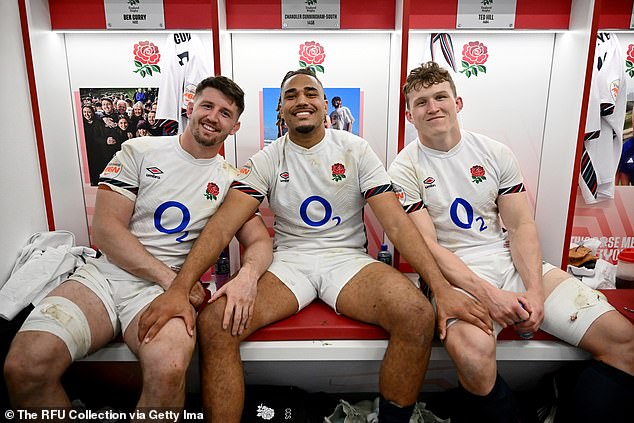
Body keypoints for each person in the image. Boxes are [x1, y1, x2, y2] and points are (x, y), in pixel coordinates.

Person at [138, 68, 491, 423]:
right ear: (281, 110)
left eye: (310, 93)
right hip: (290, 263)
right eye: (291, 96)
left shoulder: (355, 149)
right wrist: (180, 288)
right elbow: (221, 226)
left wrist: (442, 289)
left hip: (347, 261)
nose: (301, 100)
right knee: (216, 324)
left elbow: (396, 223)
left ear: (325, 104)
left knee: (417, 315)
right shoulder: (269, 158)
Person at [4, 76, 273, 414]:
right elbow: (106, 230)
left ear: (234, 127)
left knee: (169, 369)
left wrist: (247, 277)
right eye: (207, 105)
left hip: (162, 293)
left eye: (224, 113)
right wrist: (174, 284)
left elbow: (259, 240)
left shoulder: (230, 179)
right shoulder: (139, 150)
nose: (212, 117)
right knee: (26, 366)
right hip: (106, 276)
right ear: (191, 107)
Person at [388, 61, 634, 423]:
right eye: (421, 102)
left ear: (458, 103)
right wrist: (491, 296)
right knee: (472, 355)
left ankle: (561, 400)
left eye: (441, 97)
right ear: (410, 115)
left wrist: (534, 291)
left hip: (509, 260)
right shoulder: (403, 168)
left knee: (623, 341)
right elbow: (429, 248)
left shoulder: (494, 152)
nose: (433, 107)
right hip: (455, 277)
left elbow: (520, 227)